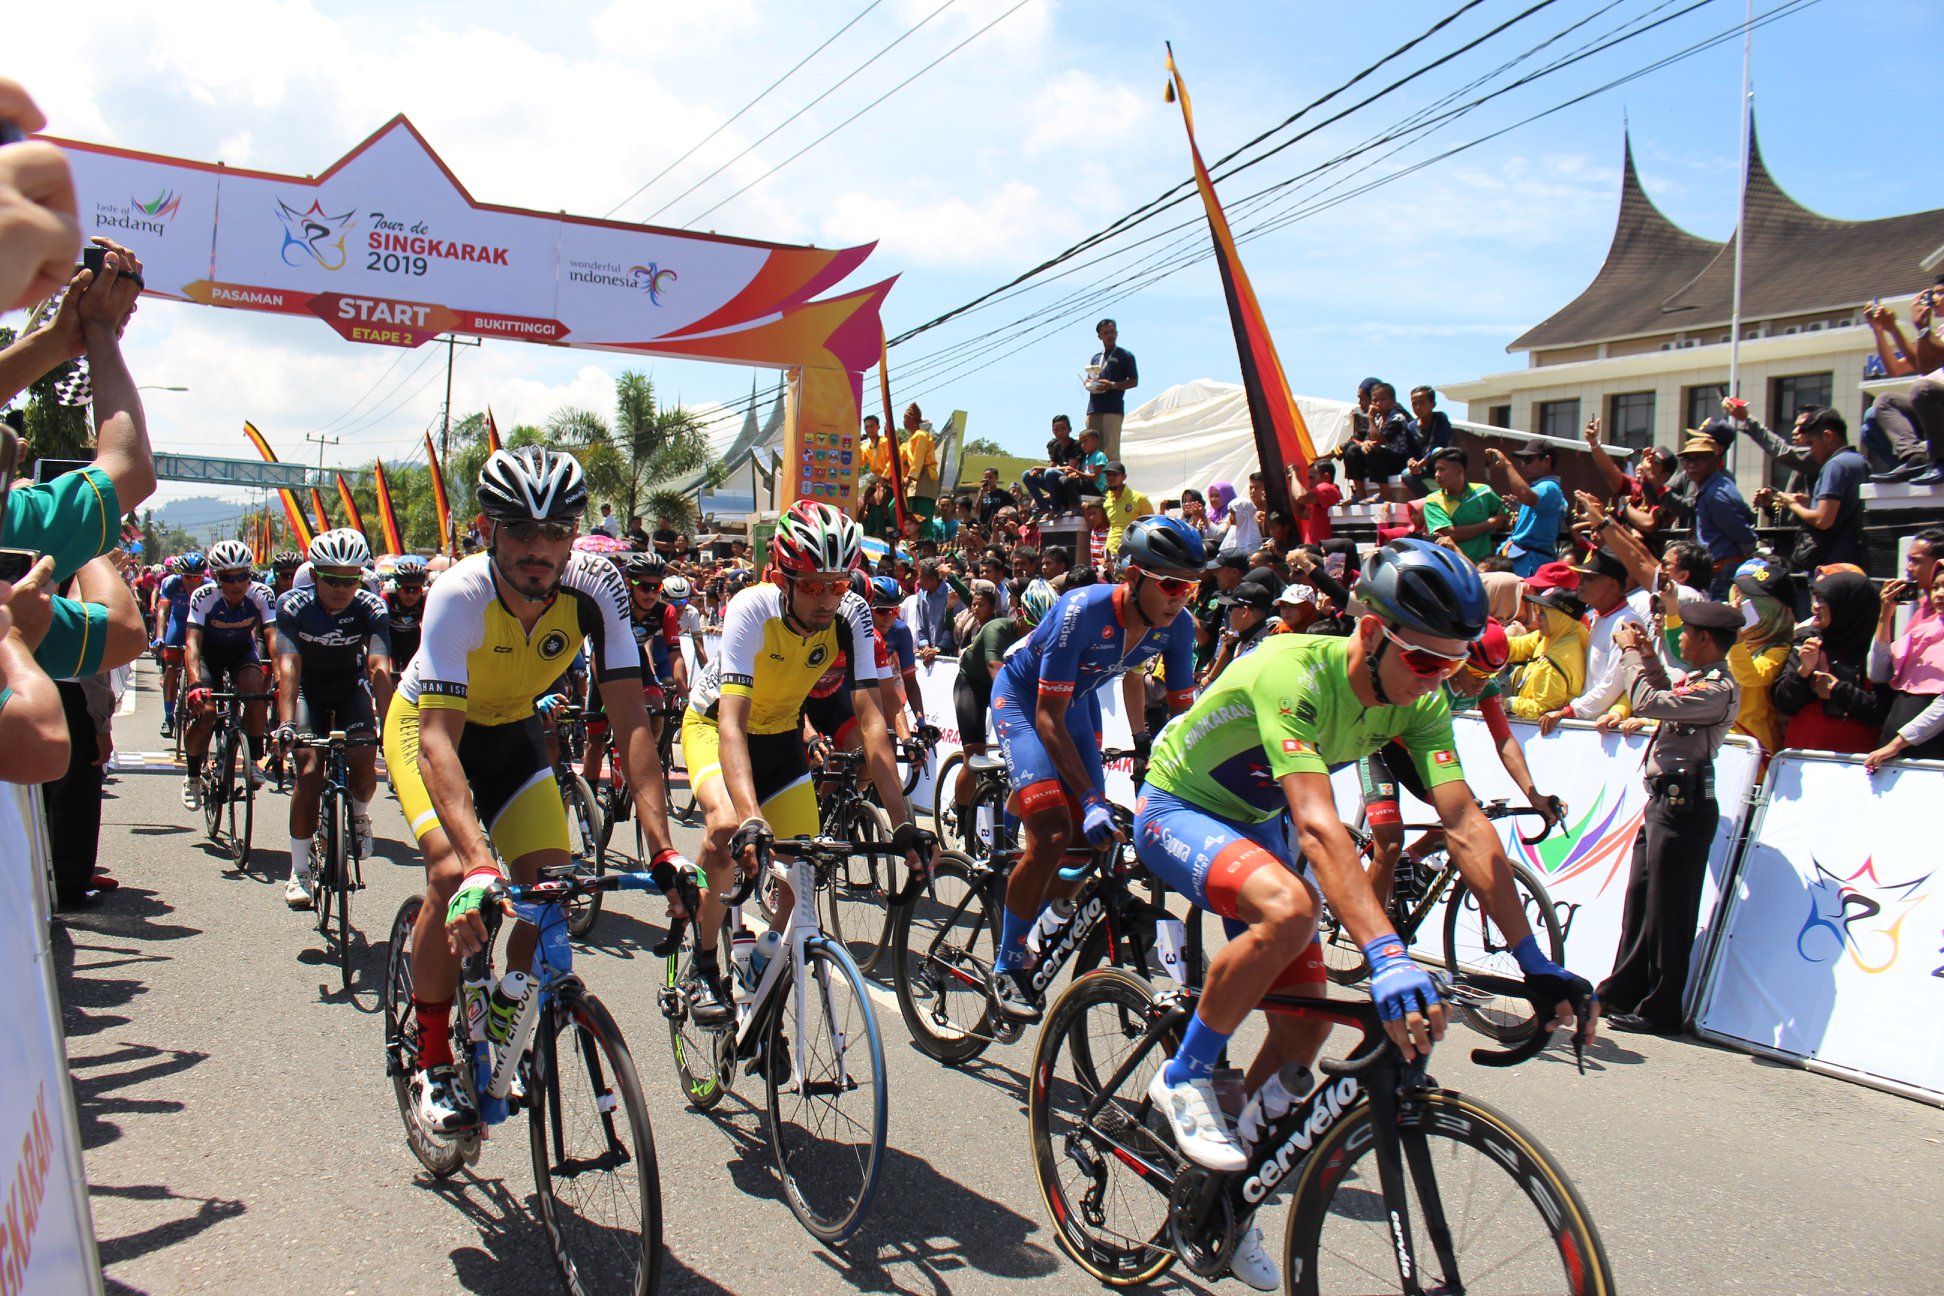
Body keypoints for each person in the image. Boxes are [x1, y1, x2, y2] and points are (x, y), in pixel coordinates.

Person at [1132, 540, 1595, 1288]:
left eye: (1453, 665)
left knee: (1306, 1030)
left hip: (1253, 821)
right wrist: (1385, 952)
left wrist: (1533, 960)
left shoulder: (1422, 700)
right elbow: (1316, 826)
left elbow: (1466, 825)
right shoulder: (1296, 669)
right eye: (1425, 662)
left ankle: (1224, 1202)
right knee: (1291, 906)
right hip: (1177, 806)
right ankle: (1184, 1074)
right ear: (1373, 632)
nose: (1437, 681)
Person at [394, 448, 693, 1134]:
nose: (539, 548)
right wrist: (474, 862)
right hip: (431, 729)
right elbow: (437, 738)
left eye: (556, 531)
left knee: (549, 888)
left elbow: (630, 722)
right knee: (449, 873)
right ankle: (433, 1060)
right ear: (485, 528)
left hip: (513, 732)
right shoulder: (461, 592)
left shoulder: (597, 587)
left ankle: (508, 1003)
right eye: (520, 531)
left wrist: (662, 850)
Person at [677, 501, 932, 1026]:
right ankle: (703, 963)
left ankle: (762, 964)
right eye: (812, 584)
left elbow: (871, 722)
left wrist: (905, 825)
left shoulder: (853, 615)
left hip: (780, 736)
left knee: (803, 870)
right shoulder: (752, 609)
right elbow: (732, 724)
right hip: (716, 727)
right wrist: (749, 817)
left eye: (836, 584)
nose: (826, 598)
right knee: (727, 829)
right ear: (781, 577)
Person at [986, 517, 1203, 1022]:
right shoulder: (1080, 609)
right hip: (1023, 701)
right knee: (1055, 829)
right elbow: (1045, 717)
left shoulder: (1180, 627)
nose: (1179, 598)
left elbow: (1183, 721)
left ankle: (1048, 921)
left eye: (1190, 587)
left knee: (1094, 844)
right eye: (1170, 584)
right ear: (1133, 577)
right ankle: (1008, 959)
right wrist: (1086, 800)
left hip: (1075, 705)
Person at [1597, 602, 1743, 1034]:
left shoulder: (1718, 688)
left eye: (1687, 633)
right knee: (1641, 901)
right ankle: (1622, 991)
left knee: (1670, 911)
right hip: (1664, 802)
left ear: (1705, 639)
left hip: (1686, 807)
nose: (1680, 638)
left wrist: (1627, 654)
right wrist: (1647, 656)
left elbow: (1648, 702)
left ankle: (1661, 1008)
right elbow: (1664, 691)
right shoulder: (1700, 681)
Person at [1358, 616, 1561, 903]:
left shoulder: (1484, 686)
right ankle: (1373, 931)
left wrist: (1534, 794)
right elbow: (1410, 737)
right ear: (1459, 664)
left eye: (1492, 677)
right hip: (1383, 746)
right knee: (1389, 844)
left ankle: (1411, 858)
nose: (1484, 685)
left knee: (1469, 817)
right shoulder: (1433, 681)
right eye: (1478, 676)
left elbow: (1504, 740)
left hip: (1420, 752)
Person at [273, 529, 392, 909]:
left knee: (363, 769)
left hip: (349, 689)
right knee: (308, 773)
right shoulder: (293, 605)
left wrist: (390, 726)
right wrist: (286, 723)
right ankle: (299, 871)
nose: (342, 587)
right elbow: (288, 666)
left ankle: (358, 814)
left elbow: (378, 666)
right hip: (308, 689)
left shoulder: (371, 608)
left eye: (351, 578)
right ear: (315, 574)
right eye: (331, 578)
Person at [180, 541, 277, 810]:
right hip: (207, 655)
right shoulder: (203, 596)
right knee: (208, 713)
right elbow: (192, 644)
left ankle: (253, 757)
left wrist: (281, 678)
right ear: (216, 578)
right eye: (228, 578)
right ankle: (193, 776)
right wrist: (195, 685)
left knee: (257, 694)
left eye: (243, 576)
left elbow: (273, 639)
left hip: (240, 653)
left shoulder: (261, 594)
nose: (237, 584)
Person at [1771, 567, 1886, 754]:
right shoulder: (1808, 641)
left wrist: (1838, 691)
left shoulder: (1878, 650)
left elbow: (1880, 711)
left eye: (1824, 600)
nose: (1815, 606)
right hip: (1801, 762)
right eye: (1816, 598)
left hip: (1857, 765)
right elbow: (1783, 703)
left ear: (1848, 606)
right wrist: (1804, 672)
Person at [1536, 547, 1646, 733]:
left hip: (1608, 729)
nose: (1581, 583)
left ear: (1611, 585)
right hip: (1591, 724)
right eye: (1581, 578)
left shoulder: (1626, 622)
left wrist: (1568, 711)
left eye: (1589, 579)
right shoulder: (1600, 616)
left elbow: (1613, 684)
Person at [1754, 407, 1870, 583]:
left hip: (1830, 567)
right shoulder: (1860, 461)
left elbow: (1823, 520)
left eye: (1811, 444)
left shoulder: (1835, 465)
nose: (1810, 452)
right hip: (1855, 562)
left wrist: (1792, 504)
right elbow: (1842, 509)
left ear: (1828, 436)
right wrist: (1809, 503)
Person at [1865, 529, 1944, 767]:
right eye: (1937, 587)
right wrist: (1885, 615)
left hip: (1929, 754)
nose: (1939, 594)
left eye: (1916, 561)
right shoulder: (1924, 626)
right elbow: (1878, 673)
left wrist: (1896, 745)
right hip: (1896, 753)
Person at [1503, 562, 1588, 720]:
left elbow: (1542, 708)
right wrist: (1483, 643)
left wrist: (1508, 704)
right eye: (1538, 610)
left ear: (1560, 615)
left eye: (1543, 612)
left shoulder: (1555, 660)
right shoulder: (1563, 631)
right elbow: (1519, 646)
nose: (1537, 616)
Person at [1677, 434, 1757, 599]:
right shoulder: (1718, 485)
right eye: (1686, 461)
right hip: (1720, 569)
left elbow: (1743, 533)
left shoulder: (1714, 493)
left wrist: (1747, 557)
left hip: (1723, 571)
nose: (1691, 466)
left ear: (1713, 460)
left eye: (1698, 459)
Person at [1483, 439, 1567, 576]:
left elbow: (1527, 496)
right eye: (1523, 460)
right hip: (1522, 557)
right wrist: (1520, 508)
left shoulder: (1549, 486)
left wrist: (1508, 466)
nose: (1523, 465)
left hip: (1530, 561)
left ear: (1546, 460)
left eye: (1528, 460)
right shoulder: (1543, 488)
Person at [153, 553, 208, 738]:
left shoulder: (210, 586)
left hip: (200, 628)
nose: (192, 581)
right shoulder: (171, 583)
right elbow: (163, 610)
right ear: (180, 574)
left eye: (197, 577)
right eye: (187, 577)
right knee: (171, 668)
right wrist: (159, 637)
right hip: (178, 624)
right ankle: (168, 717)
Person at [1197, 568, 1282, 687]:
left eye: (1231, 608)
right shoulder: (1243, 637)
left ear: (1245, 612)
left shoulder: (1262, 646)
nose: (1229, 613)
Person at [1420, 447, 1506, 563]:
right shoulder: (1433, 501)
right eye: (1436, 470)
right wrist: (1488, 524)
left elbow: (1505, 516)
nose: (1437, 475)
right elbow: (1451, 534)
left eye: (1441, 470)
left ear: (1459, 471)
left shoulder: (1484, 492)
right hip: (1453, 568)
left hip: (1483, 568)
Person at [1083, 318, 1137, 460]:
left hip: (1113, 409)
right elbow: (1092, 376)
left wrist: (1112, 385)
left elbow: (1134, 381)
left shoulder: (1125, 356)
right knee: (1092, 450)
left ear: (1117, 333)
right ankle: (1094, 481)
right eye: (1106, 333)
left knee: (1110, 452)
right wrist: (1089, 382)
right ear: (1099, 336)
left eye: (1112, 332)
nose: (1110, 335)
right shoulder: (1095, 358)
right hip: (1094, 408)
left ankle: (1112, 481)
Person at [1023, 414, 1082, 516]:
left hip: (1070, 483)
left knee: (1049, 472)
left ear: (1069, 429)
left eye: (1063, 429)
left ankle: (1056, 508)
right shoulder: (1057, 446)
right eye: (1056, 430)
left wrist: (1043, 469)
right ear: (1053, 431)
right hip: (1056, 481)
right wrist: (1038, 471)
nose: (1060, 432)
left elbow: (1070, 468)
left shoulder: (1076, 444)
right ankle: (1044, 508)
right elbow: (1051, 467)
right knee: (1027, 475)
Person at [383, 554, 429, 672]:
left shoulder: (425, 599)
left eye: (416, 590)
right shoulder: (387, 597)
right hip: (391, 637)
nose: (410, 595)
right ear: (397, 587)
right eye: (405, 589)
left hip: (412, 638)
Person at [1099, 460, 1152, 558]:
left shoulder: (1139, 498)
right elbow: (1113, 527)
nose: (1110, 478)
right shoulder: (1107, 501)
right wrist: (1106, 546)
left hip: (1132, 553)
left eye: (1114, 474)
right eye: (1108, 475)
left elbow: (1151, 525)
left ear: (1124, 477)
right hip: (1111, 552)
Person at [899, 403, 940, 520]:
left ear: (912, 418)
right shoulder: (910, 439)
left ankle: (926, 538)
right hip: (914, 480)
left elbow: (918, 458)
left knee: (923, 517)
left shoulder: (921, 435)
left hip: (925, 477)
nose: (903, 421)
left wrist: (910, 477)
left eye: (905, 418)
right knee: (913, 518)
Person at [1297, 461, 1341, 545]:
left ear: (1326, 477)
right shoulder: (1323, 496)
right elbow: (1301, 513)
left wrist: (1294, 474)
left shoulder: (1326, 488)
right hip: (1315, 550)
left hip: (1320, 551)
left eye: (1311, 478)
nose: (1309, 484)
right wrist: (1292, 479)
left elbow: (1300, 497)